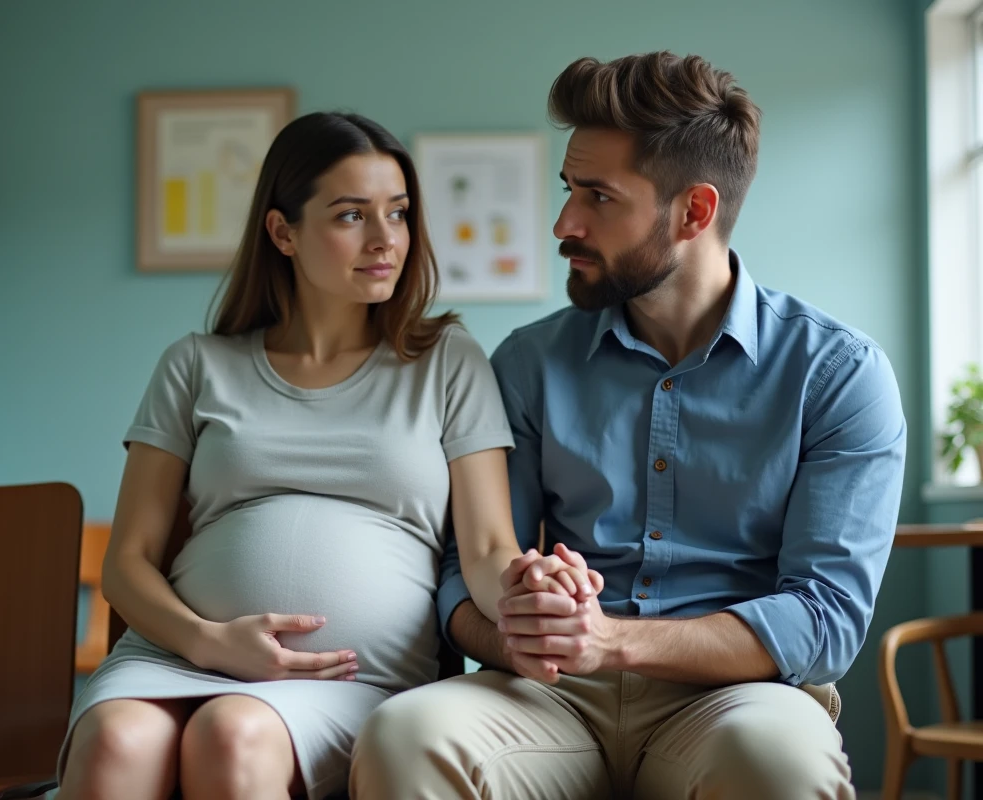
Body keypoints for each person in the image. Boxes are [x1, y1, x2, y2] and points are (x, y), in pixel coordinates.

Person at [350, 51, 907, 800]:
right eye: (568, 189)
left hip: (732, 698)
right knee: (405, 735)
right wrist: (519, 619)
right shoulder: (529, 363)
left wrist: (611, 640)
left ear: (694, 212)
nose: (564, 223)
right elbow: (463, 575)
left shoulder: (838, 375)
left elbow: (827, 619)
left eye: (598, 197)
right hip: (550, 693)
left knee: (781, 762)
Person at [54, 111, 580, 800]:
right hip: (178, 654)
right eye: (350, 215)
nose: (385, 238)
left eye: (397, 213)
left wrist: (526, 590)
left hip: (353, 674)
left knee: (232, 736)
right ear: (283, 232)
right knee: (115, 743)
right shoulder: (195, 365)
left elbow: (484, 548)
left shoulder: (447, 361)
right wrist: (209, 641)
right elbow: (127, 564)